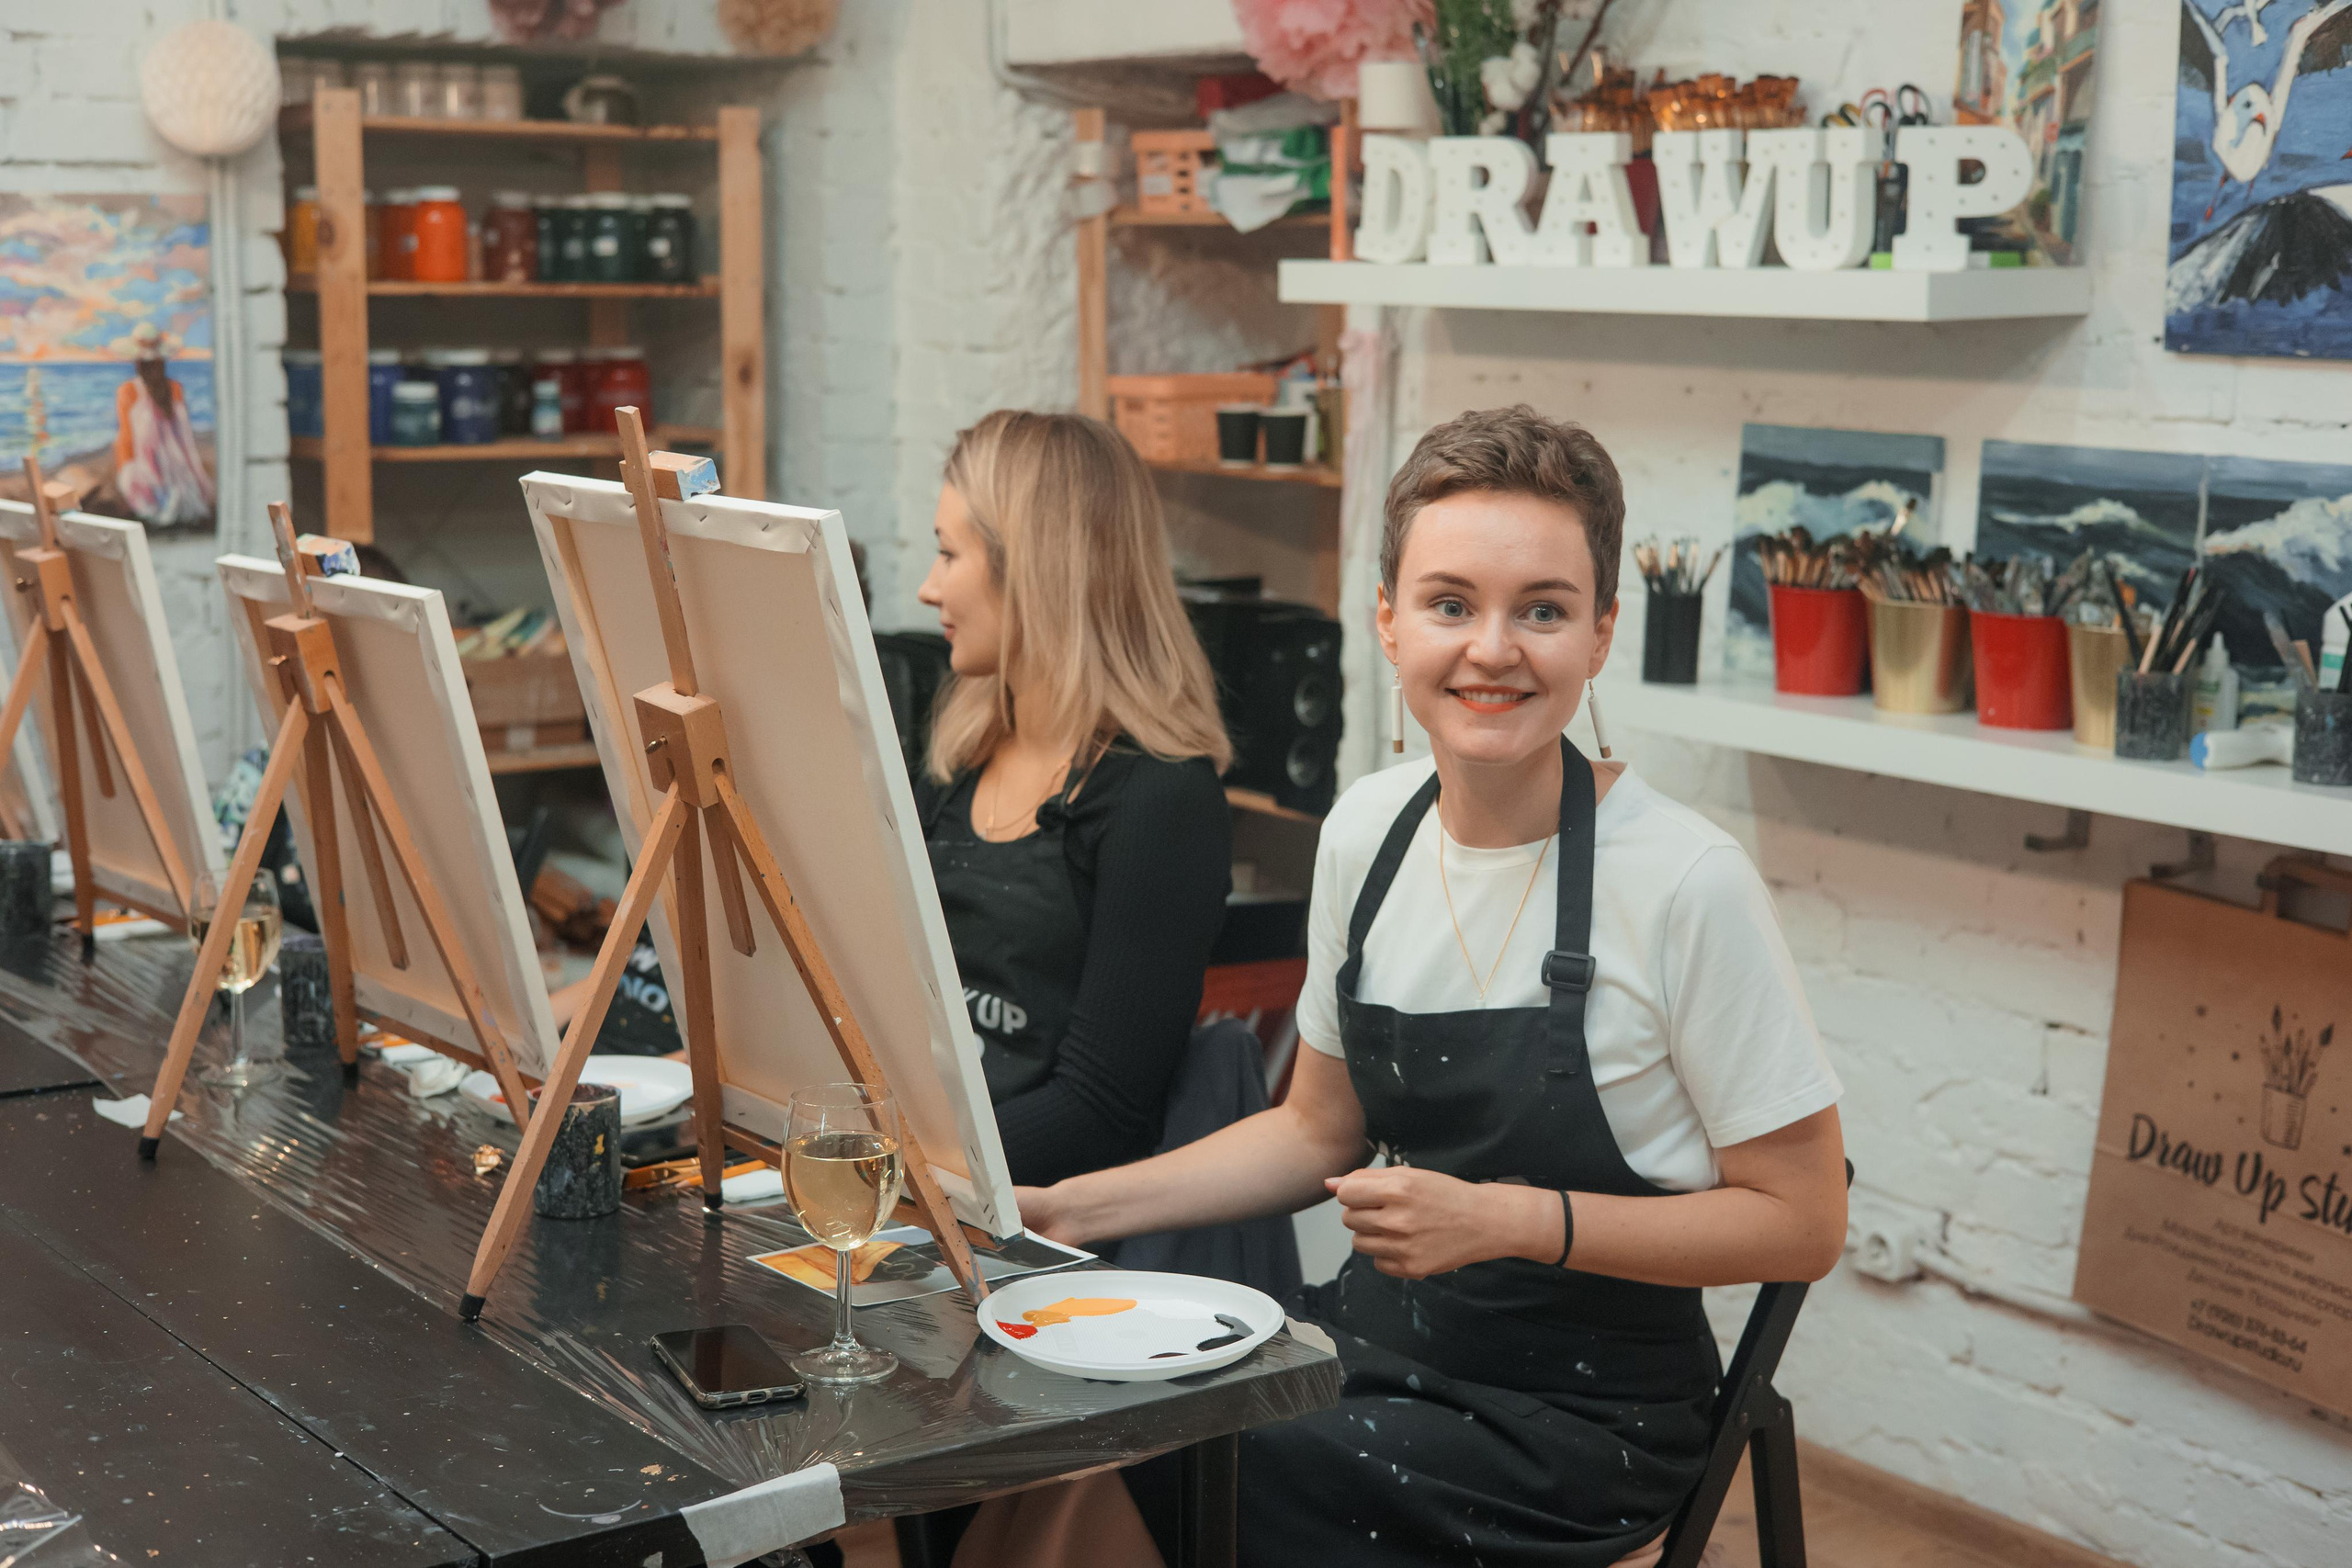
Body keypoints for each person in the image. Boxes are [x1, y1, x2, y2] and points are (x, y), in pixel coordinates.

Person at [1019, 405, 1849, 1566]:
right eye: (1450, 604)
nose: (1492, 649)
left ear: (1601, 634)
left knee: (1182, 1467)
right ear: (1389, 623)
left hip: (1578, 1424)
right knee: (1066, 1429)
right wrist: (1066, 1209)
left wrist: (1509, 1220)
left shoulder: (1685, 882)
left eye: (1543, 611)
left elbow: (1804, 1223)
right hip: (1369, 1346)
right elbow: (1316, 1129)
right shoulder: (1368, 831)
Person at [912, 409, 1234, 1189]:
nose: (928, 589)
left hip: (1054, 1244)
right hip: (921, 1189)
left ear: (1034, 567)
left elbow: (1102, 1109)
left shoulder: (1162, 799)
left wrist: (900, 1169)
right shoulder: (955, 754)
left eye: (950, 554)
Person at [111, 322, 213, 528]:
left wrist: (124, 467)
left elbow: (126, 437)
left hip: (148, 475)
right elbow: (185, 440)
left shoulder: (128, 390)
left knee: (130, 479)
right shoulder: (175, 388)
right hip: (179, 472)